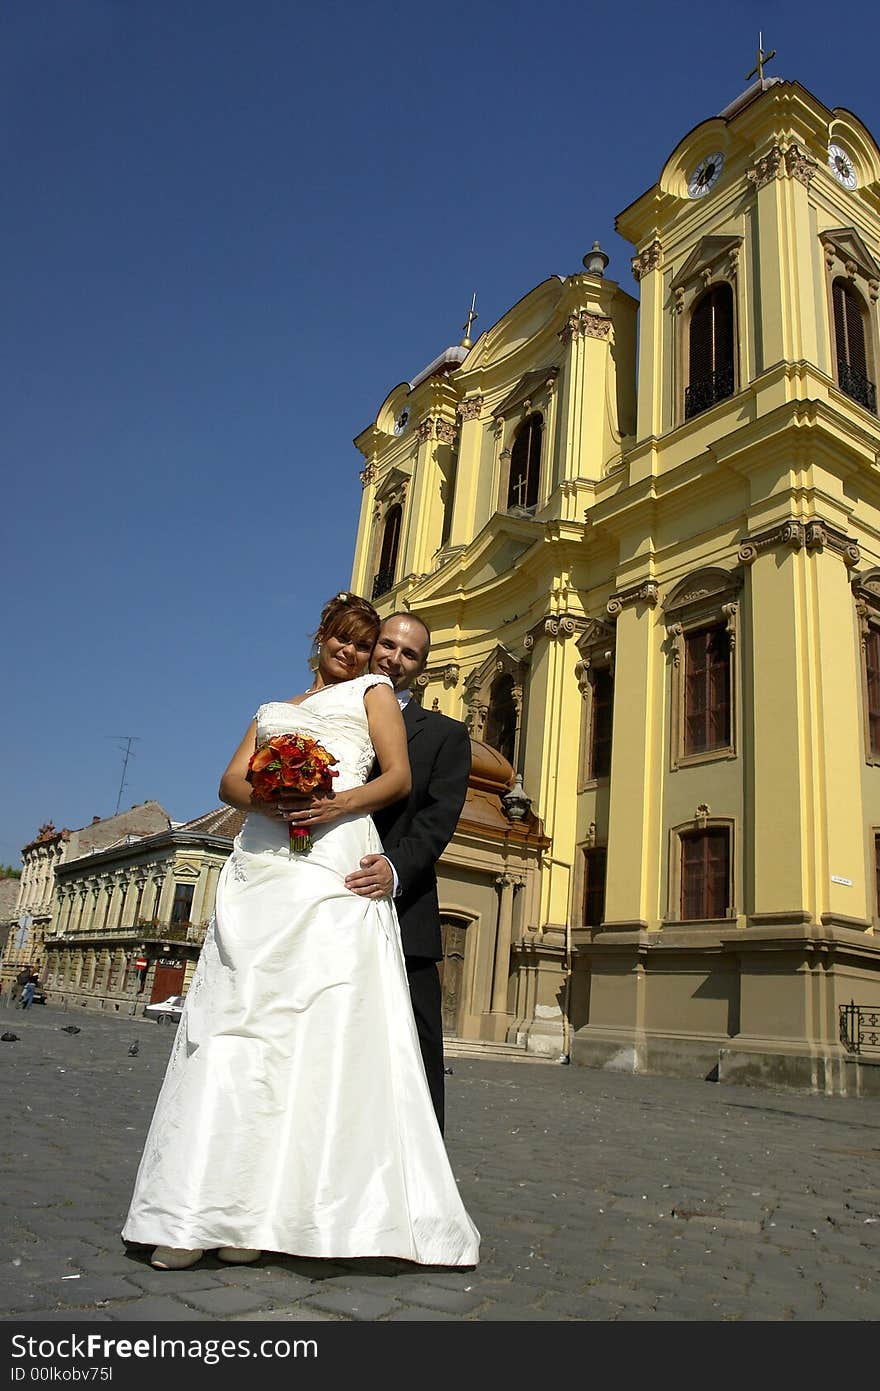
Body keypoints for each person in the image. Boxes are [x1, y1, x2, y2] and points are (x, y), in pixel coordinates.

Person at [122, 592, 479, 1272]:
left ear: (416, 665)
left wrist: (343, 814)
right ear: (322, 639)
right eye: (366, 643)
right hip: (266, 868)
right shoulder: (274, 708)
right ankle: (199, 1204)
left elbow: (416, 799)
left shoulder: (391, 704)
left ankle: (309, 1203)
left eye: (401, 651)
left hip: (348, 876)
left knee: (332, 1042)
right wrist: (278, 797)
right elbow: (231, 779)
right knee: (233, 1031)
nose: (376, 655)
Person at [343, 613, 471, 1134]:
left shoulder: (444, 735)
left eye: (409, 653)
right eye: (387, 645)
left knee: (415, 1047)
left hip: (402, 906)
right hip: (323, 897)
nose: (394, 658)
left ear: (421, 668)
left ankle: (421, 1177)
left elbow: (437, 819)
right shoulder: (332, 715)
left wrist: (395, 870)